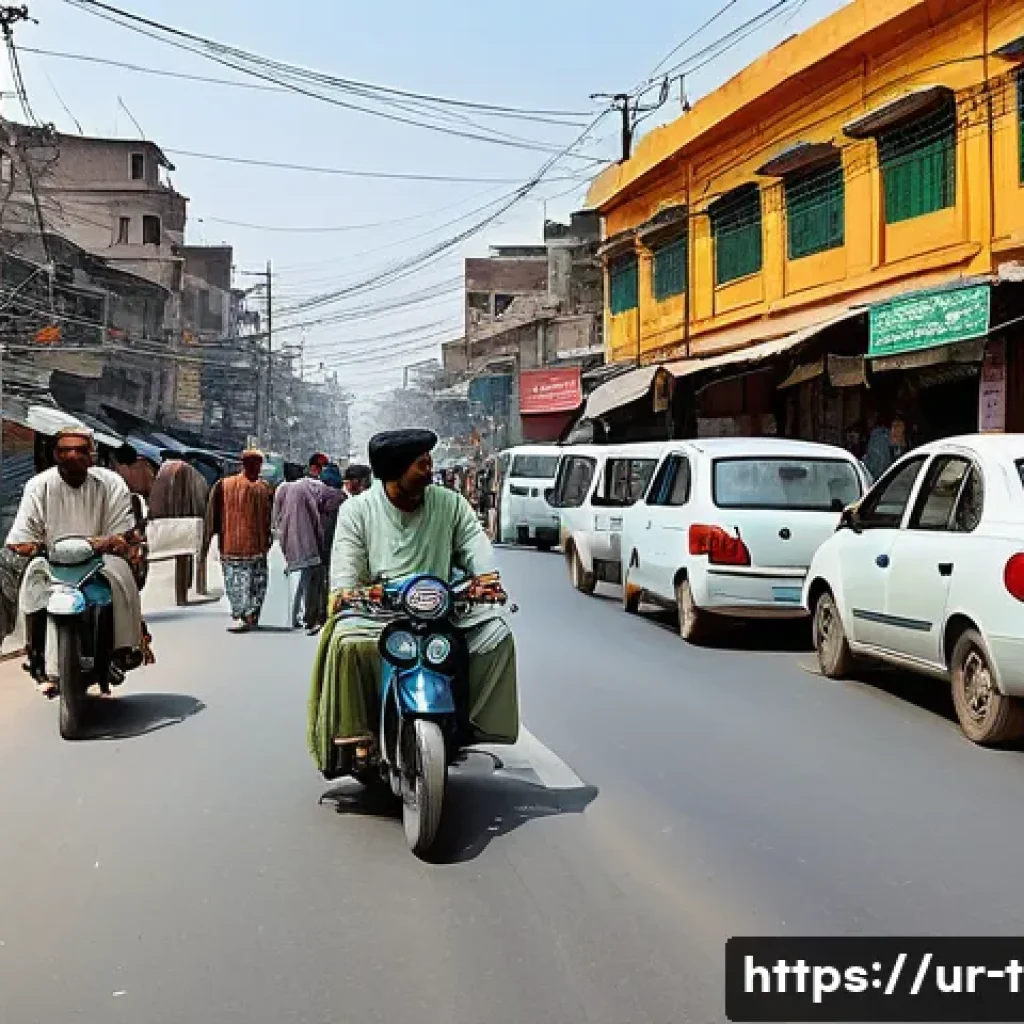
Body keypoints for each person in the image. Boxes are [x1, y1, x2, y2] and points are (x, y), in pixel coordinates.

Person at [306, 429, 519, 777]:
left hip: (440, 609)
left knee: (496, 636)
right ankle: (358, 736)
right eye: (422, 465)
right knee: (347, 644)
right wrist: (350, 592)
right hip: (376, 612)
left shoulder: (449, 503)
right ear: (396, 471)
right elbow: (346, 570)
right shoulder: (358, 510)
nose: (429, 472)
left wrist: (486, 579)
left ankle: (469, 723)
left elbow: (473, 543)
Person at [6, 426, 153, 696]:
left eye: (80, 450)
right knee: (30, 590)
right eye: (65, 450)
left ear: (92, 455)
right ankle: (37, 659)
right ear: (55, 455)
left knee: (121, 585)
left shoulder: (111, 484)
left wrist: (113, 542)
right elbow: (22, 535)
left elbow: (121, 528)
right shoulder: (39, 486)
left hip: (100, 559)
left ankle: (120, 650)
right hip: (51, 561)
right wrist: (30, 546)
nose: (72, 455)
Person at [272, 463, 345, 635]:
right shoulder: (328, 493)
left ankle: (297, 616)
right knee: (312, 581)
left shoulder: (285, 489)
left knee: (300, 580)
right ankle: (312, 619)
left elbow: (277, 515)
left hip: (291, 540)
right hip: (313, 544)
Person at [206, 448, 274, 633]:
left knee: (247, 583)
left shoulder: (262, 488)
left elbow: (269, 518)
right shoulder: (227, 485)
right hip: (239, 545)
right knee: (245, 583)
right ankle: (245, 615)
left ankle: (247, 615)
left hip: (247, 545)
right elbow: (214, 514)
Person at [148, 453, 211, 601]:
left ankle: (183, 594)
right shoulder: (192, 475)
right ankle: (192, 590)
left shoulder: (164, 473)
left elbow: (155, 502)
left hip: (168, 522)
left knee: (182, 556)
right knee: (186, 555)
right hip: (190, 523)